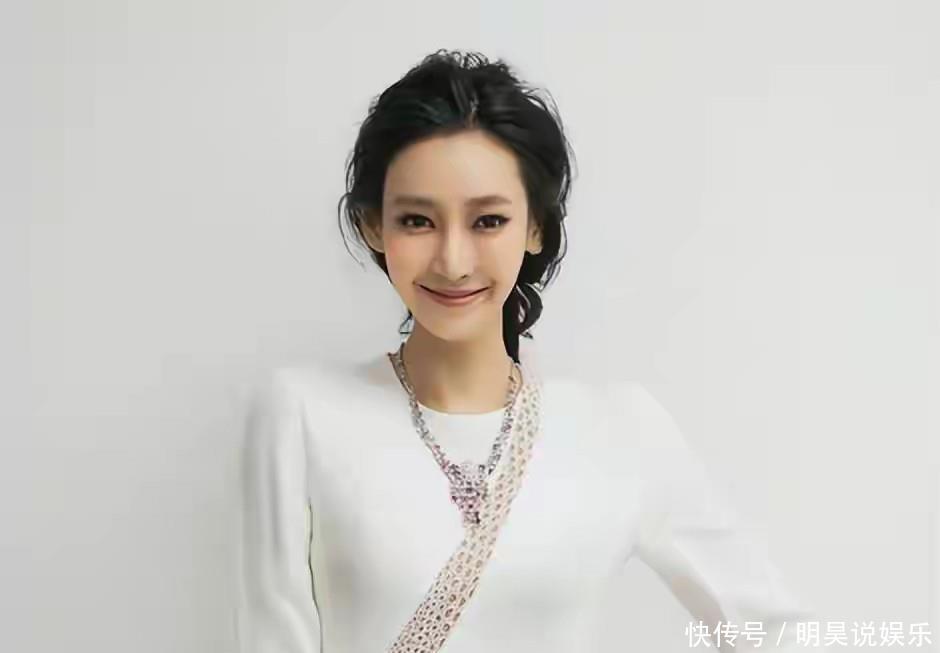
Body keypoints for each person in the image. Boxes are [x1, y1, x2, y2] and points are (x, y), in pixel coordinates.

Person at [235, 49, 828, 652]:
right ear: (372, 226)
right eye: (417, 221)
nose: (453, 261)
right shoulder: (302, 412)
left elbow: (780, 634)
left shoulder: (621, 428)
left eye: (488, 221)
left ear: (536, 227)